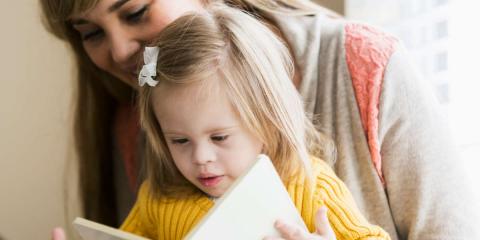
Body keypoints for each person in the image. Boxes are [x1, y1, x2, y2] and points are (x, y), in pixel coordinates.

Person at [39, 0, 479, 239]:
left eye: (135, 12)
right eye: (91, 33)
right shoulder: (159, 190)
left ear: (268, 123)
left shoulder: (310, 185)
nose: (118, 53)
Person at [121, 5, 390, 239]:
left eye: (219, 137)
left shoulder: (311, 188)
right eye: (180, 140)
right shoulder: (158, 199)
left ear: (268, 120)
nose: (201, 157)